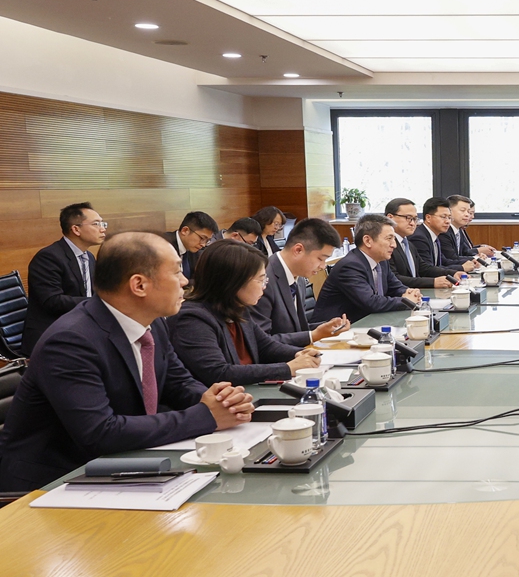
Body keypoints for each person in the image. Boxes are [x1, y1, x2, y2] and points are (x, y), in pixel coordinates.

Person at [0, 232, 254, 491]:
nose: (185, 281)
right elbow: (100, 432)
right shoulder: (70, 341)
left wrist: (221, 401)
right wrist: (205, 416)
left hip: (122, 465)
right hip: (51, 485)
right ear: (139, 285)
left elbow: (176, 381)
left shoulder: (152, 323)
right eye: (177, 272)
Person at [169, 240, 322, 387]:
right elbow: (219, 373)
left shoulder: (237, 308)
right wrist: (287, 368)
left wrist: (301, 354)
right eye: (260, 280)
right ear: (234, 282)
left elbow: (266, 346)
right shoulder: (193, 319)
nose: (264, 286)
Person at [249, 218, 350, 347]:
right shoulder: (263, 280)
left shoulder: (299, 277)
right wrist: (313, 335)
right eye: (321, 258)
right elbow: (260, 342)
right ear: (298, 250)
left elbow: (296, 328)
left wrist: (327, 327)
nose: (323, 266)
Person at [23, 202, 107, 355]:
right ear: (76, 229)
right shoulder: (49, 257)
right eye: (96, 224)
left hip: (79, 326)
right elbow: (53, 301)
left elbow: (90, 293)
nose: (103, 228)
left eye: (103, 223)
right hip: (51, 333)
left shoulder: (88, 256)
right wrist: (98, 303)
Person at [312, 214, 421, 323]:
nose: (394, 245)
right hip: (334, 331)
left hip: (366, 324)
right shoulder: (350, 266)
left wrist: (410, 293)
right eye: (389, 238)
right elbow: (371, 302)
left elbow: (395, 287)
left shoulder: (382, 262)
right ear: (368, 241)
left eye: (394, 239)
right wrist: (405, 301)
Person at [384, 198, 462, 289]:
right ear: (390, 218)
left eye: (415, 219)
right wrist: (433, 282)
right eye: (408, 218)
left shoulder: (408, 243)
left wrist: (453, 273)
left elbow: (424, 268)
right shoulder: (386, 245)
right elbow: (393, 278)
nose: (413, 223)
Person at [409, 198, 479, 274]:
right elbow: (427, 269)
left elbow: (444, 261)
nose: (447, 221)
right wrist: (461, 267)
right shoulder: (419, 238)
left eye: (449, 217)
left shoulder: (434, 235)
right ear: (428, 218)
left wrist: (470, 261)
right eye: (443, 217)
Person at [162, 211, 218, 280]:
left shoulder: (193, 249)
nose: (203, 244)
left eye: (207, 241)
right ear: (185, 231)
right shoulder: (163, 246)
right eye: (202, 238)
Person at [444, 195, 495, 259]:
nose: (467, 214)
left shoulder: (458, 230)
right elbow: (451, 258)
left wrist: (477, 256)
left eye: (468, 211)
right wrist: (475, 258)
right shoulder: (444, 231)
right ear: (449, 211)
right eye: (462, 210)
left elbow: (464, 252)